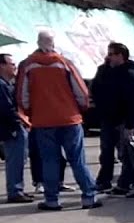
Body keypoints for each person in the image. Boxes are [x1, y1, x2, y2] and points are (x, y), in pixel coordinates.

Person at [16, 30, 97, 210]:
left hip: (43, 121)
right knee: (77, 160)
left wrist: (31, 112)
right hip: (70, 118)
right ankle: (88, 197)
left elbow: (23, 96)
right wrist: (81, 108)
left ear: (38, 43)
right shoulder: (64, 63)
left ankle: (52, 199)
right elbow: (82, 91)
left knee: (49, 161)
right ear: (53, 43)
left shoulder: (27, 65)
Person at [92, 42, 134, 199]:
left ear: (121, 56)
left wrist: (130, 125)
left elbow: (133, 102)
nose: (109, 57)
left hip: (132, 120)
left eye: (112, 54)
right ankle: (122, 185)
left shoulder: (130, 74)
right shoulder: (107, 71)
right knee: (124, 155)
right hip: (114, 119)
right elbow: (96, 89)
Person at [0, 52, 33, 203]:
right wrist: (20, 122)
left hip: (14, 126)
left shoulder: (8, 83)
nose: (14, 67)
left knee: (19, 159)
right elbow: (6, 109)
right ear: (2, 66)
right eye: (11, 64)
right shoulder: (1, 85)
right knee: (15, 160)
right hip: (12, 128)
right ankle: (15, 191)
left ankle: (17, 189)